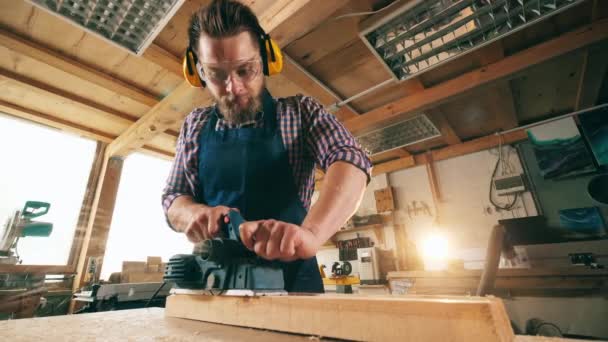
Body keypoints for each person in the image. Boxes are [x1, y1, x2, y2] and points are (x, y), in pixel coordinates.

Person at [162, 0, 371, 293]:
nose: (232, 88)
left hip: (294, 286)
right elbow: (174, 197)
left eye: (245, 70)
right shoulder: (194, 125)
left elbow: (351, 159)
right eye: (216, 74)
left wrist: (310, 235)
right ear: (197, 72)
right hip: (214, 289)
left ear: (266, 59)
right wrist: (193, 213)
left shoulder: (301, 113)